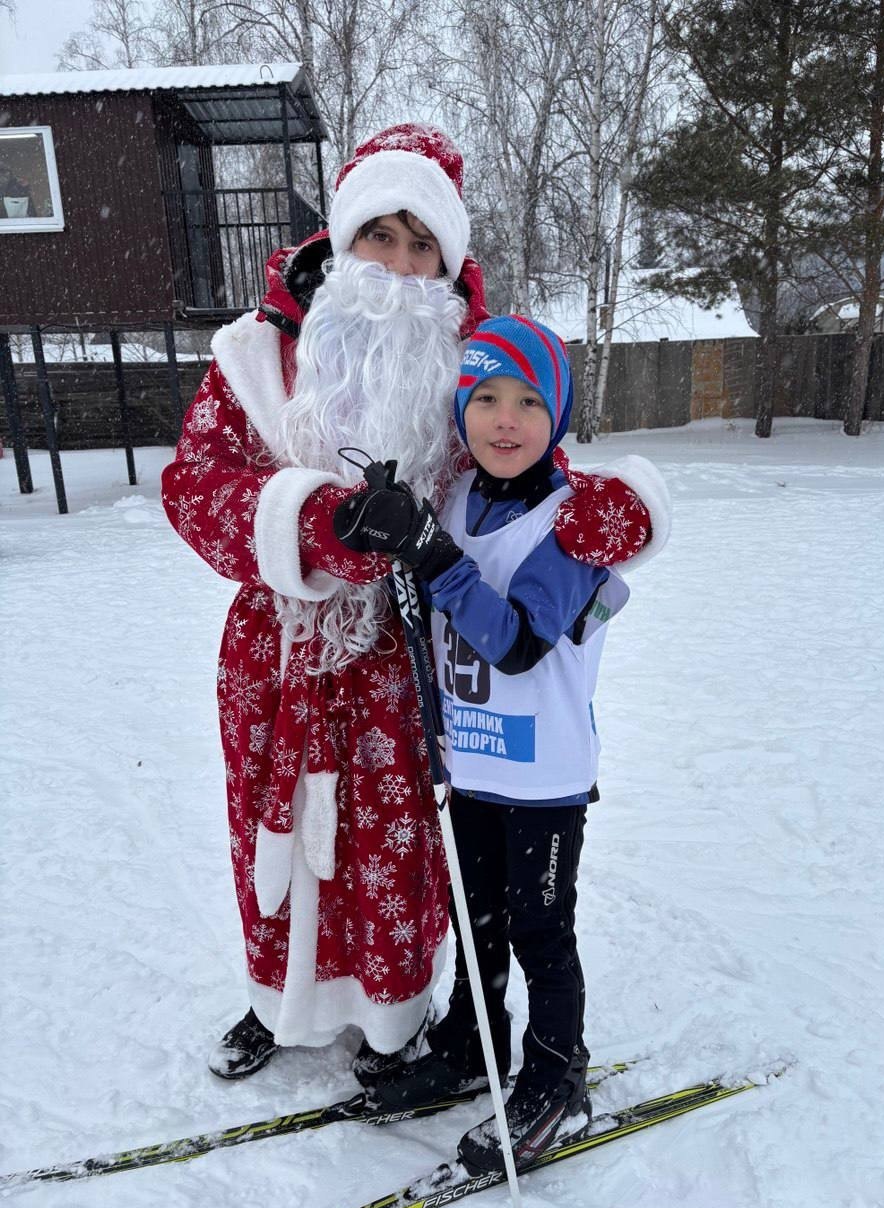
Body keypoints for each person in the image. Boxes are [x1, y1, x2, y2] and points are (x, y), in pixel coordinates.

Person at [162, 126, 650, 1090]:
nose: (396, 263)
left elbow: (525, 471)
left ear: (448, 264)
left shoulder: (459, 370)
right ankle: (280, 999)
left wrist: (617, 511)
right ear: (340, 243)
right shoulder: (253, 360)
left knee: (391, 847)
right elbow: (194, 486)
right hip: (277, 655)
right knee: (274, 832)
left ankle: (393, 1017)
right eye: (378, 236)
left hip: (402, 651)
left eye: (421, 244)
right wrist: (312, 525)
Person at [334, 315, 670, 1173]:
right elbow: (419, 578)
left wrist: (433, 555)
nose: (504, 419)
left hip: (544, 777)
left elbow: (516, 642)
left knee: (538, 931)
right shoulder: (453, 497)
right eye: (484, 397)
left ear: (554, 415)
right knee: (475, 925)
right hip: (470, 766)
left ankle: (557, 1075)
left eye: (528, 400)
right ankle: (468, 1047)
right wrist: (379, 529)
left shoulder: (574, 525)